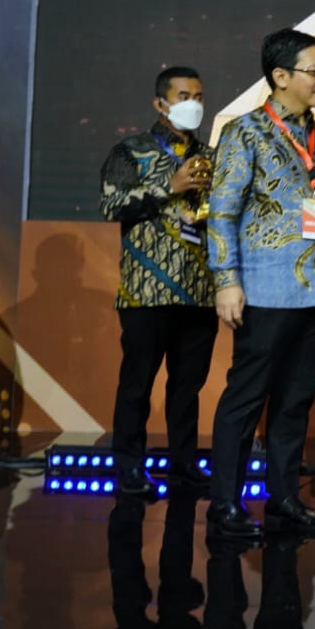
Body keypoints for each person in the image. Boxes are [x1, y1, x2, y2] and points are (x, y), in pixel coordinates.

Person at [206, 29, 315, 538]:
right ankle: (224, 503)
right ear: (281, 76)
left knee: (295, 399)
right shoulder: (244, 132)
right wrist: (226, 281)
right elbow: (222, 211)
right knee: (247, 396)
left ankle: (285, 498)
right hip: (265, 288)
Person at [99, 66, 217, 495]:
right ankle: (129, 465)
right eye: (184, 96)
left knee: (187, 388)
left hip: (200, 293)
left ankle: (183, 463)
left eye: (199, 96)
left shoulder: (212, 156)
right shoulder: (131, 151)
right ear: (160, 103)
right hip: (146, 293)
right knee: (137, 385)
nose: (193, 104)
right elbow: (111, 206)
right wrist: (170, 184)